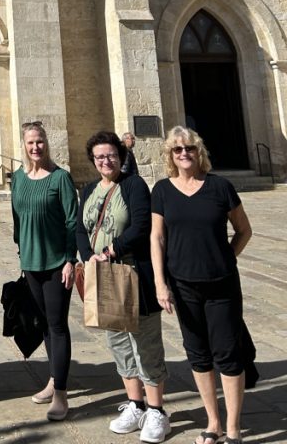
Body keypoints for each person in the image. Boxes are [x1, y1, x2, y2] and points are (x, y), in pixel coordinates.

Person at [151, 126, 252, 444]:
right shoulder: (163, 190)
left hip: (221, 285)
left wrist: (226, 257)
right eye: (177, 150)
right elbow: (157, 236)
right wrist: (160, 284)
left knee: (228, 355)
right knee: (198, 355)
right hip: (183, 286)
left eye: (189, 148)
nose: (184, 154)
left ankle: (233, 429)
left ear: (199, 151)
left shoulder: (220, 187)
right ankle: (213, 424)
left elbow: (244, 230)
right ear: (170, 155)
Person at [76, 131, 170, 443]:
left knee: (145, 342)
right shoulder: (90, 188)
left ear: (121, 155)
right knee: (118, 341)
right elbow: (80, 227)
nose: (106, 160)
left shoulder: (134, 185)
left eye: (111, 155)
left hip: (132, 273)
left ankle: (157, 411)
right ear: (93, 160)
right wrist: (89, 257)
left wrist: (110, 251)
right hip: (102, 274)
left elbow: (142, 226)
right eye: (100, 156)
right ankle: (136, 404)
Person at [11, 120, 77, 421]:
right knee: (46, 325)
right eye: (30, 142)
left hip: (56, 264)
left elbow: (72, 222)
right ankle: (54, 379)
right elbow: (16, 218)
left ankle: (61, 394)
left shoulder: (60, 178)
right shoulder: (18, 179)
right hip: (31, 263)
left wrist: (69, 260)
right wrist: (21, 250)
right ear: (23, 145)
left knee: (58, 324)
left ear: (46, 143)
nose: (35, 147)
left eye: (39, 141)